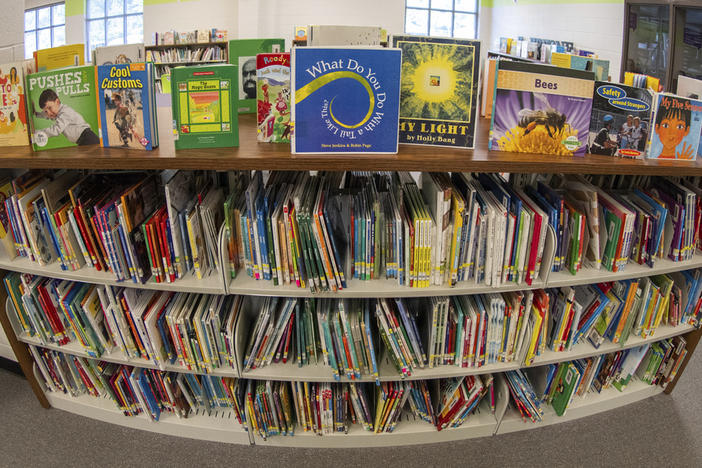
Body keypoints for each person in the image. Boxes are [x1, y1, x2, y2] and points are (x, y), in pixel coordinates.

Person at [32, 89, 99, 146]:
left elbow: (56, 130)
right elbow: (45, 115)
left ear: (57, 102)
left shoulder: (65, 112)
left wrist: (37, 133)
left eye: (50, 108)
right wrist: (36, 114)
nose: (48, 113)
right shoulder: (56, 113)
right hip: (81, 141)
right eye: (46, 111)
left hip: (88, 138)